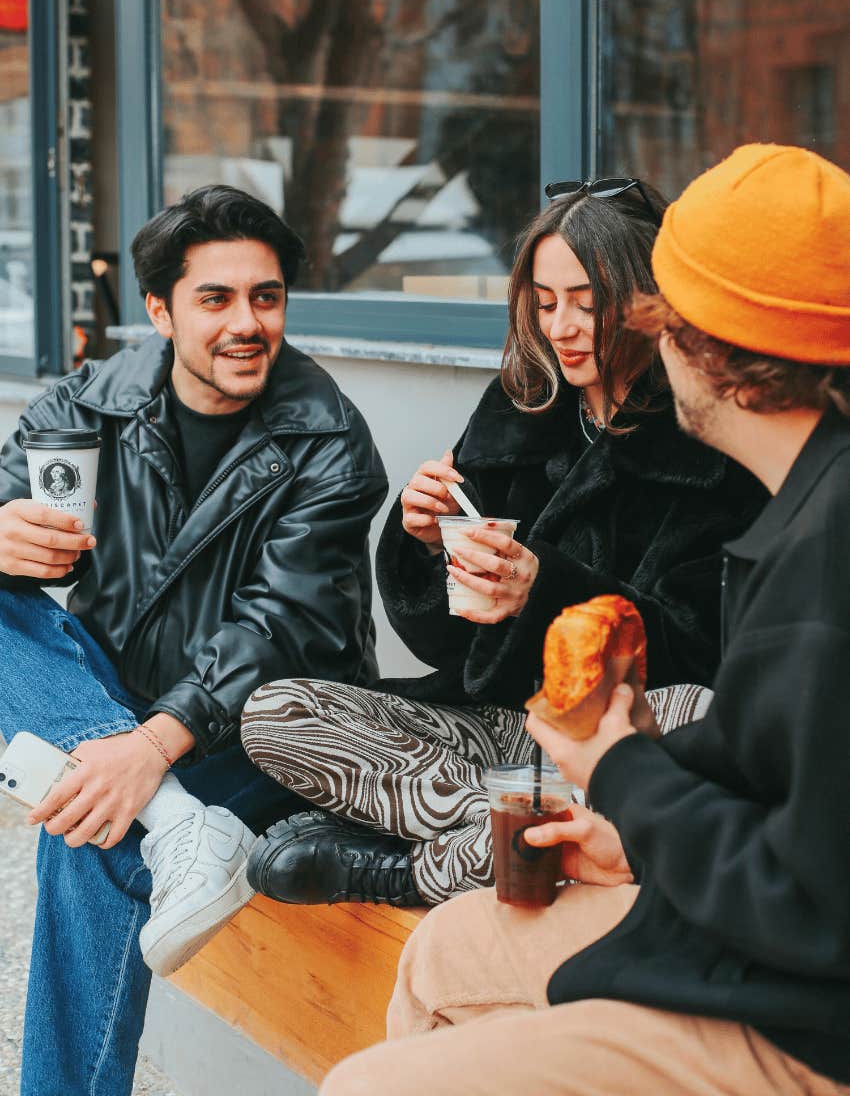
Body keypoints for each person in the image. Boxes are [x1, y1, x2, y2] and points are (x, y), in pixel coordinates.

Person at [318, 142, 850, 1096]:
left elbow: (806, 901)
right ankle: (467, 843)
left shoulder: (819, 569)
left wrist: (620, 770)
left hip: (799, 1013)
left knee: (365, 1086)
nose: (581, 329)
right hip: (669, 855)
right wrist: (425, 544)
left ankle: (447, 854)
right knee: (441, 946)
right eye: (545, 301)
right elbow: (779, 777)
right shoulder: (804, 509)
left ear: (714, 346)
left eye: (652, 314)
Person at [240, 177, 766, 908]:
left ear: (649, 299)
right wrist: (426, 545)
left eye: (586, 303)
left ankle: (408, 871)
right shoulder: (519, 411)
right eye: (545, 304)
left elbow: (705, 649)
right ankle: (523, 831)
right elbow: (443, 647)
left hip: (617, 738)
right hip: (491, 730)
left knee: (699, 715)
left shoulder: (707, 440)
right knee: (274, 713)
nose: (562, 328)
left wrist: (543, 591)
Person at [0, 184, 388, 1096]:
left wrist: (147, 753)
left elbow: (283, 625)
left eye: (266, 296)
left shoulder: (328, 439)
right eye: (215, 298)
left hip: (269, 731)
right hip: (121, 707)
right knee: (101, 794)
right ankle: (176, 822)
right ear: (160, 311)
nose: (247, 322)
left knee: (90, 830)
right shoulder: (90, 406)